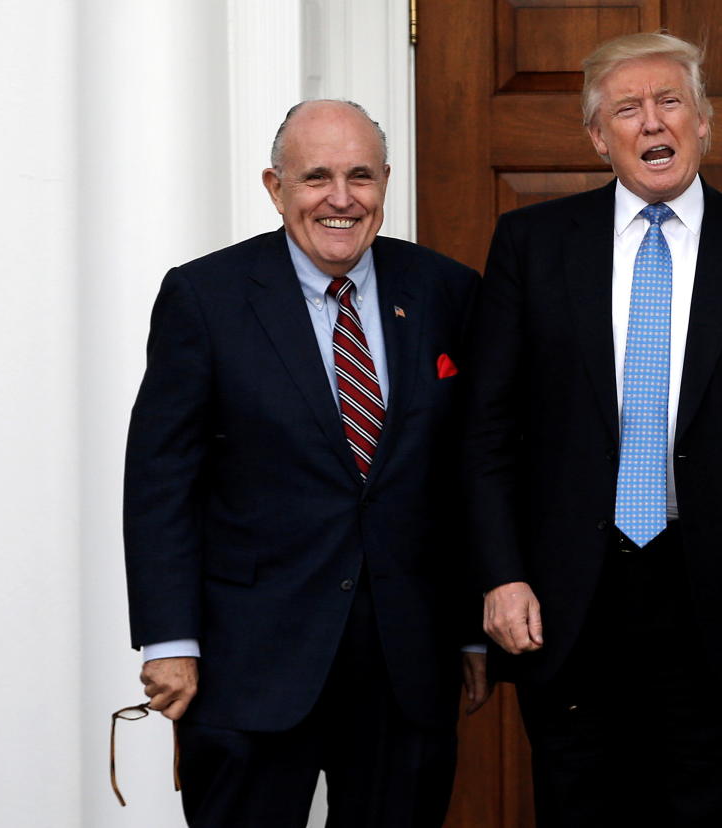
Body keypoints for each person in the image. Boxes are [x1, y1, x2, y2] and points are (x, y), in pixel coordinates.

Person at [462, 33, 722, 826]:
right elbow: (487, 431)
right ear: (598, 138)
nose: (652, 121)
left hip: (721, 600)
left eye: (670, 101)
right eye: (627, 108)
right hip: (568, 600)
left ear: (703, 121)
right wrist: (499, 573)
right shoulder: (533, 246)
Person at [123, 99, 488, 828]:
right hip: (249, 662)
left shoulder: (447, 291)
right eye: (316, 177)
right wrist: (169, 640)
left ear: (386, 180)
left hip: (405, 663)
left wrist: (470, 627)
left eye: (361, 175)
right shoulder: (206, 297)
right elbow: (161, 478)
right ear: (274, 186)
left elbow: (468, 470)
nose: (341, 199)